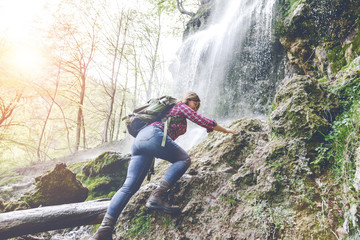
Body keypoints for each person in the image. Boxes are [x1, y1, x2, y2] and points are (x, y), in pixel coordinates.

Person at [90, 92, 236, 240]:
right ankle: (157, 195)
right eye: (195, 103)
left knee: (129, 187)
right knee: (184, 160)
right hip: (153, 135)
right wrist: (226, 130)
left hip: (141, 140)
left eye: (198, 105)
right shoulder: (181, 106)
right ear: (188, 100)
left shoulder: (172, 111)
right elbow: (201, 120)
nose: (196, 107)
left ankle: (104, 230)